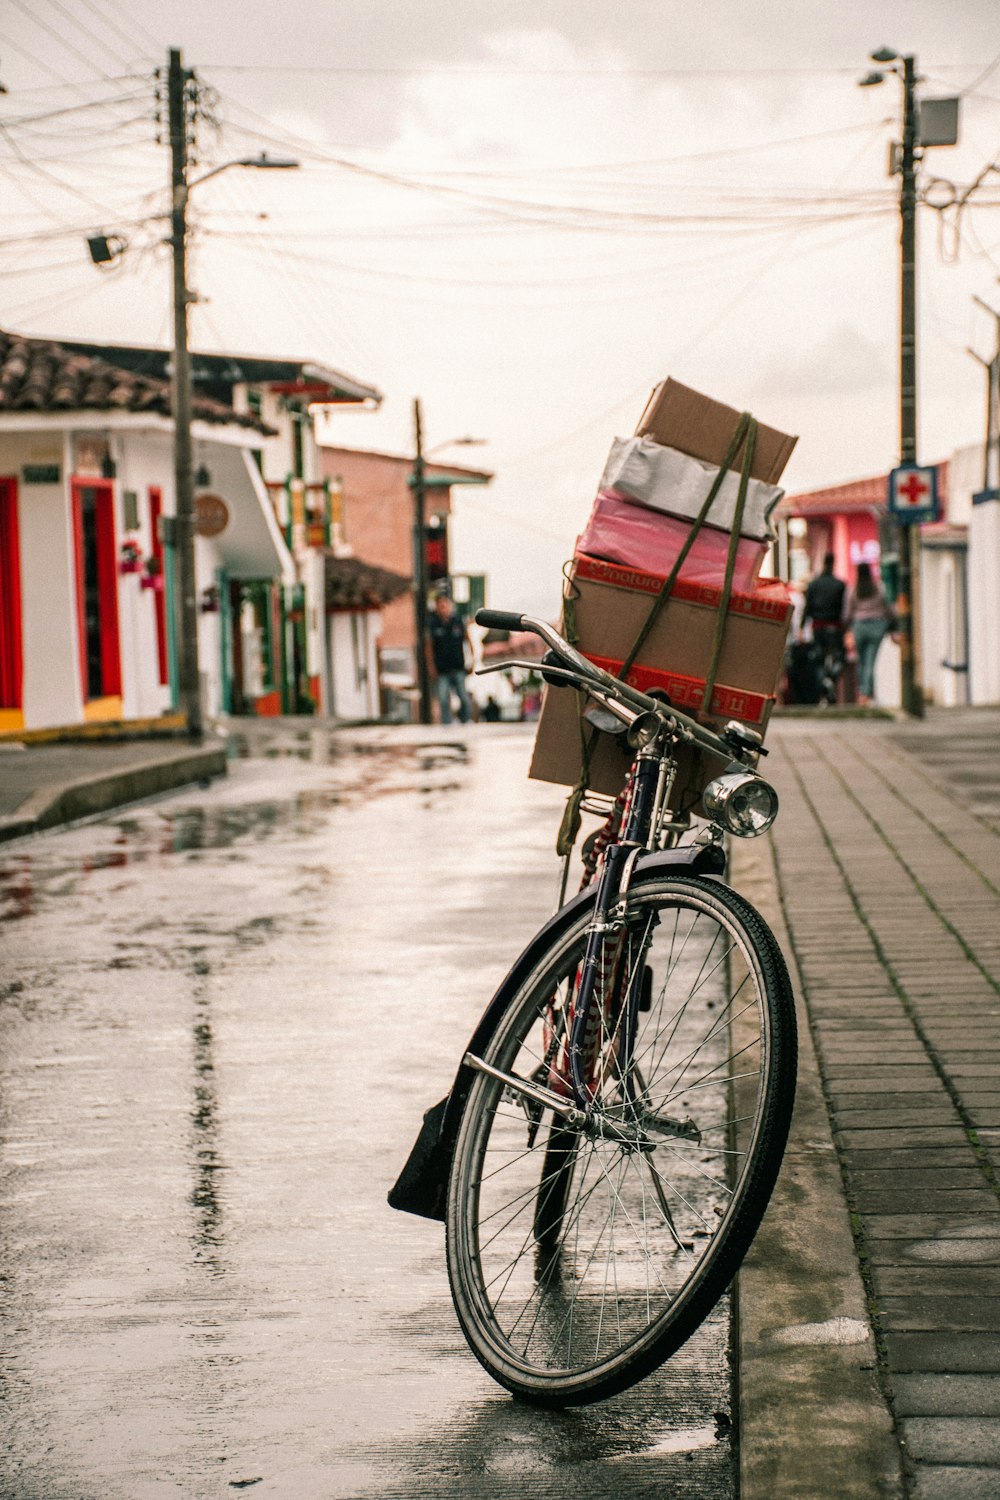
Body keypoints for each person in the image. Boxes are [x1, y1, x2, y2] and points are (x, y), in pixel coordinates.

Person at [802, 552, 847, 705]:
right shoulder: (840, 585)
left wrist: (802, 627)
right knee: (839, 657)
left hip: (818, 625)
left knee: (819, 658)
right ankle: (830, 679)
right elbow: (843, 608)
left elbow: (807, 607)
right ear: (833, 563)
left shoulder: (813, 584)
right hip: (835, 625)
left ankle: (823, 685)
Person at [845, 561, 891, 706]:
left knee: (861, 661)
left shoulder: (854, 589)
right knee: (871, 660)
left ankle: (862, 692)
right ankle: (867, 693)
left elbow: (848, 611)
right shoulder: (878, 587)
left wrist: (847, 627)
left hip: (859, 626)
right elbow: (887, 606)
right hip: (877, 626)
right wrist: (893, 622)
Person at [427, 593, 471, 725]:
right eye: (440, 606)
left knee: (463, 697)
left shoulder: (458, 622)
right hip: (442, 669)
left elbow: (468, 642)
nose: (443, 608)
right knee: (443, 699)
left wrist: (472, 660)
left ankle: (465, 720)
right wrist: (431, 667)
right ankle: (446, 724)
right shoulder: (433, 624)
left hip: (458, 666)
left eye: (445, 605)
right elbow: (428, 648)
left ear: (451, 606)